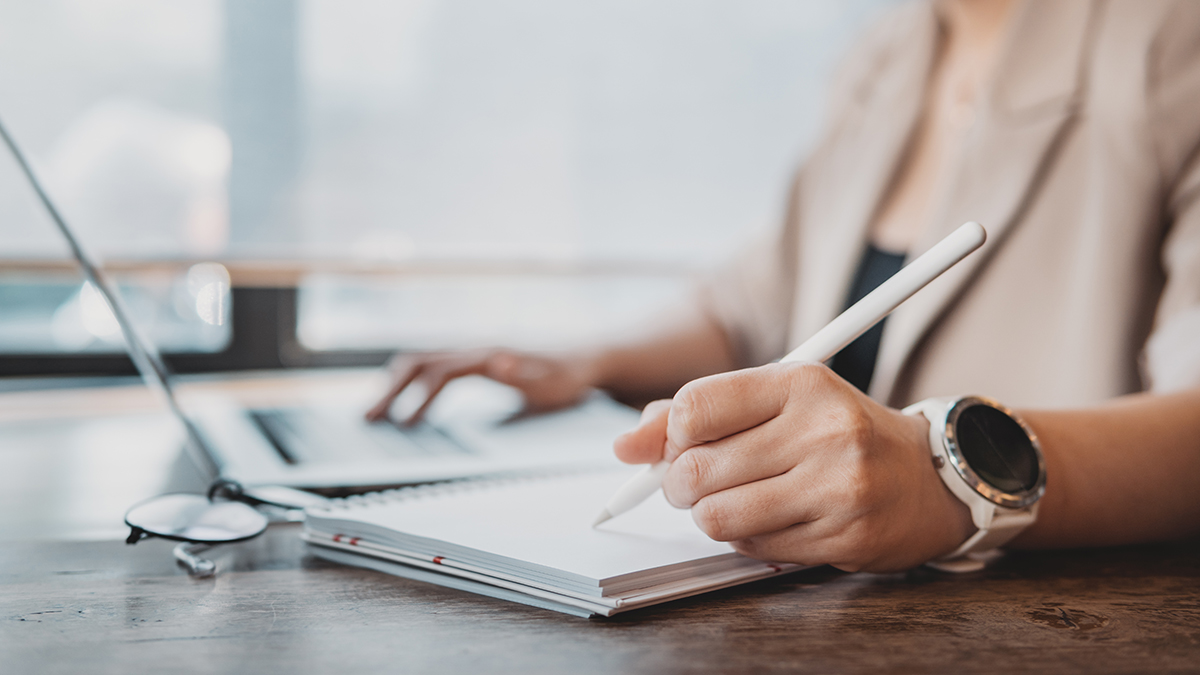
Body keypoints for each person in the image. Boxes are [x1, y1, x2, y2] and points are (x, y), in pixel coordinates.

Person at [367, 0, 1200, 573]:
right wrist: (585, 360)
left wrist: (943, 476)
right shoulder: (889, 54)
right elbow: (757, 304)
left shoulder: (1171, 40)